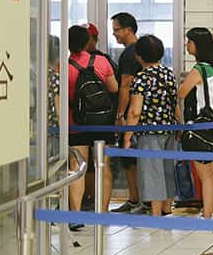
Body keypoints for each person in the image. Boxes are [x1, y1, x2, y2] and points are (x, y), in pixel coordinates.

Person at [67, 25, 118, 229]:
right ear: (88, 41)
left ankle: (76, 215)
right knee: (103, 168)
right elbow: (114, 88)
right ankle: (103, 212)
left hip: (75, 123)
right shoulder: (101, 61)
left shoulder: (63, 65)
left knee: (77, 169)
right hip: (101, 123)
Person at [122, 35, 178, 217]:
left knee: (152, 172)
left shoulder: (141, 78)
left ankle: (155, 214)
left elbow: (135, 111)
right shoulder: (169, 74)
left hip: (149, 131)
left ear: (139, 56)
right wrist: (180, 126)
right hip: (170, 129)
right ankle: (166, 209)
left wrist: (127, 135)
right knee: (168, 169)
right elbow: (175, 104)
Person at [175, 27, 213, 219]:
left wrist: (183, 80)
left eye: (189, 41)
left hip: (199, 126)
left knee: (205, 174)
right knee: (210, 172)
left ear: (197, 44)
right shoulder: (212, 67)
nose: (187, 45)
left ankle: (208, 213)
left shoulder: (198, 69)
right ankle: (208, 211)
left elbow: (181, 93)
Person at [109, 12, 144, 214]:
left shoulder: (130, 54)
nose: (115, 35)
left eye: (117, 30)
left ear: (128, 30)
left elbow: (126, 85)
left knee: (130, 158)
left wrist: (120, 115)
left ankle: (136, 198)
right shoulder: (139, 51)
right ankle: (137, 199)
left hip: (132, 113)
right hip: (140, 113)